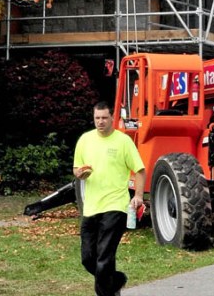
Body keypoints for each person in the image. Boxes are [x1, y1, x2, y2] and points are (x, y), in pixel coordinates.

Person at [73, 100, 145, 296]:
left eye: (104, 118)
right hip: (91, 207)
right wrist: (79, 173)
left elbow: (140, 170)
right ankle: (116, 281)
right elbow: (77, 168)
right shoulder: (85, 140)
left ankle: (108, 290)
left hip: (116, 206)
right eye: (97, 118)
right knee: (88, 258)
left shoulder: (123, 141)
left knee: (104, 257)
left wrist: (138, 196)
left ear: (112, 118)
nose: (101, 122)